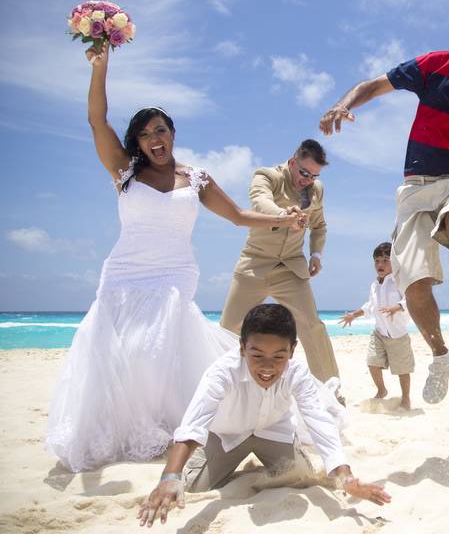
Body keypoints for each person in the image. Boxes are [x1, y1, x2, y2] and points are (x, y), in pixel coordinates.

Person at [46, 45, 305, 472]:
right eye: (147, 134)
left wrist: (283, 220)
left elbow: (239, 216)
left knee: (155, 352)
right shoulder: (125, 172)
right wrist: (100, 67)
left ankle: (175, 427)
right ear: (139, 141)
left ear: (172, 133)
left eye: (161, 130)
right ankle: (134, 429)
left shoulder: (196, 178)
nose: (155, 139)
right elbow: (97, 121)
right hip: (125, 273)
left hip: (174, 274)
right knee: (121, 354)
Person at [319, 9, 449, 404]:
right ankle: (439, 357)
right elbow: (375, 85)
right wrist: (343, 103)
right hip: (416, 186)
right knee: (413, 284)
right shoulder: (435, 66)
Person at [137, 304, 390, 527]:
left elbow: (319, 422)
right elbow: (193, 424)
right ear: (242, 347)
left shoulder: (298, 373)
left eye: (278, 357)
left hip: (273, 432)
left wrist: (346, 478)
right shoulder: (221, 372)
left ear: (292, 350)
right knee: (193, 486)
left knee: (299, 477)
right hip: (227, 435)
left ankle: (272, 458)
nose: (267, 367)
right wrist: (170, 477)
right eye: (257, 355)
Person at [219, 140, 340, 384]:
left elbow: (319, 225)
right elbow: (260, 201)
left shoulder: (317, 189)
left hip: (291, 268)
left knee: (312, 326)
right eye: (304, 172)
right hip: (255, 264)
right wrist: (283, 215)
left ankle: (330, 389)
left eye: (314, 175)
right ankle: (220, 385)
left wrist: (316, 255)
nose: (307, 179)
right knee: (229, 328)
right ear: (293, 163)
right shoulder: (267, 176)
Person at [339, 242, 414, 410]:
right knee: (372, 362)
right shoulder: (374, 285)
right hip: (379, 333)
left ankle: (406, 398)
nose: (380, 265)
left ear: (394, 262)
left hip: (398, 334)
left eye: (385, 260)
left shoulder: (399, 281)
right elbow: (370, 306)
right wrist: (354, 315)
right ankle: (381, 390)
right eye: (377, 261)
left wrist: (396, 307)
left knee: (402, 369)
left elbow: (409, 299)